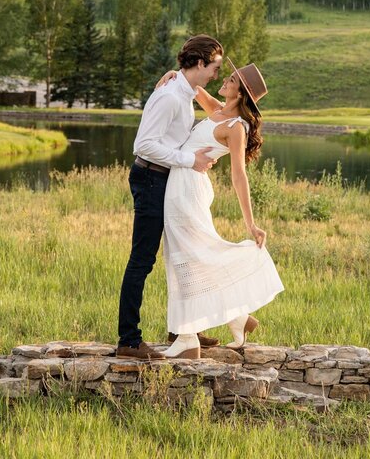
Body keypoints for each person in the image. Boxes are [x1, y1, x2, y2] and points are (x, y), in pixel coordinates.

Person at [155, 59, 284, 359]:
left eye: (231, 80)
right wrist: (174, 74)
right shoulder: (218, 110)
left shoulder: (236, 127)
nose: (224, 81)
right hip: (181, 184)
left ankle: (187, 337)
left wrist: (251, 223)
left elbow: (239, 176)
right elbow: (193, 86)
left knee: (185, 257)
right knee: (186, 256)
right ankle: (238, 318)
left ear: (240, 94)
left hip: (189, 190)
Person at [115, 35, 223, 360]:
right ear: (200, 63)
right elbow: (144, 145)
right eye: (214, 67)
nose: (216, 75)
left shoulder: (184, 90)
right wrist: (192, 160)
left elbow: (181, 133)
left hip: (167, 179)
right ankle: (129, 341)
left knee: (181, 254)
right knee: (142, 260)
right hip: (150, 179)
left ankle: (183, 330)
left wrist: (197, 156)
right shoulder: (171, 96)